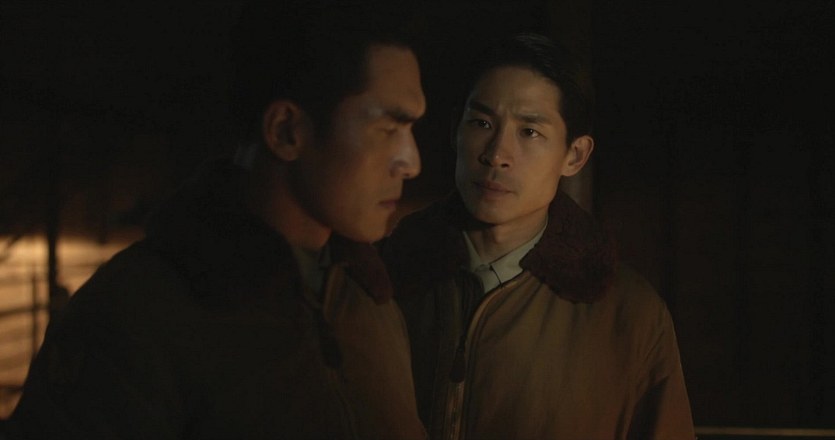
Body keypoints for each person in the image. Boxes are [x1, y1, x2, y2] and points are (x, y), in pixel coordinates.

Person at [8, 2, 427, 439]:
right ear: (286, 131)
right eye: (388, 129)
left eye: (413, 130)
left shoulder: (369, 299)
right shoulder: (135, 317)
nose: (412, 162)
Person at [382, 33, 695, 439]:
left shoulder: (628, 316)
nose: (496, 154)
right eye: (481, 123)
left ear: (574, 155)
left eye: (529, 132)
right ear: (456, 130)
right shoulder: (382, 280)